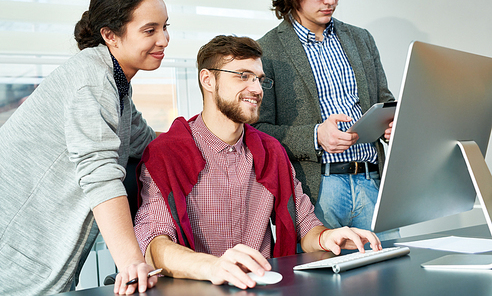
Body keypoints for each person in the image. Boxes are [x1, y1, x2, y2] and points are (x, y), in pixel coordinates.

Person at [134, 35, 382, 290]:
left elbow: (304, 225)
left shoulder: (271, 151)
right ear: (208, 80)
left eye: (259, 79)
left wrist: (329, 236)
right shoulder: (166, 154)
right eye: (243, 76)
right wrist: (213, 266)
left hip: (263, 289)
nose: (257, 89)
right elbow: (155, 244)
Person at [0, 0, 169, 295]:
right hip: (8, 252)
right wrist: (132, 262)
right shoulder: (91, 80)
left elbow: (149, 143)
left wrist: (207, 137)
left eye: (164, 26)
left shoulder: (115, 86)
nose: (164, 40)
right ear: (111, 35)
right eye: (150, 30)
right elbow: (100, 175)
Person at [253, 0, 397, 237]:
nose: (331, 0)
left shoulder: (361, 40)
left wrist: (393, 126)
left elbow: (384, 102)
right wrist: (316, 136)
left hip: (373, 182)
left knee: (392, 274)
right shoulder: (267, 51)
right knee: (322, 278)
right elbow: (258, 132)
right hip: (317, 192)